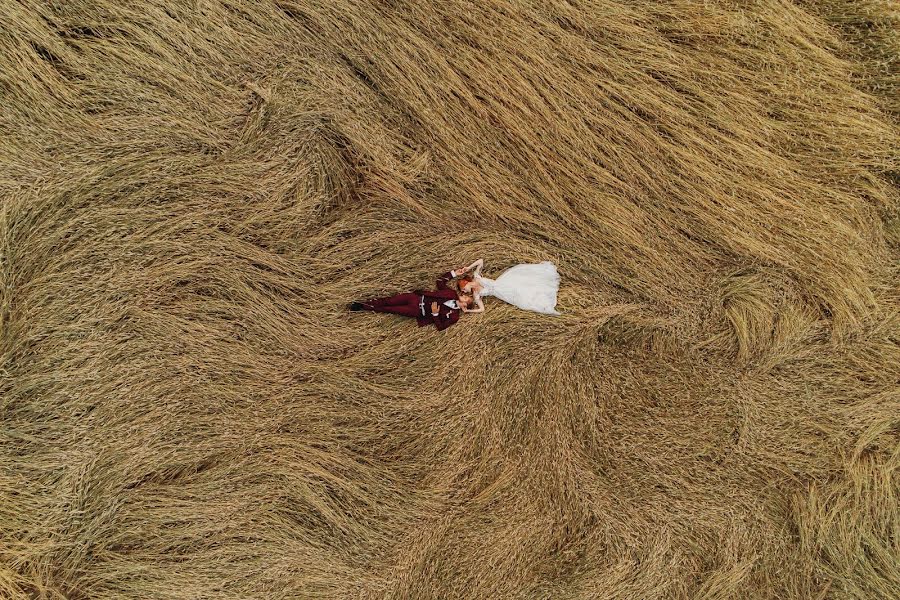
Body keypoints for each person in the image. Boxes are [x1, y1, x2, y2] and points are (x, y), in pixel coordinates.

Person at [350, 269, 473, 331]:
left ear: (464, 307)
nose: (463, 296)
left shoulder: (454, 316)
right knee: (388, 301)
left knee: (389, 309)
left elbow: (441, 327)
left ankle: (362, 307)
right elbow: (440, 282)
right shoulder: (450, 293)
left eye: (466, 299)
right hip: (416, 298)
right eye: (465, 295)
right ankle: (364, 303)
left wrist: (435, 314)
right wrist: (454, 273)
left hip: (416, 311)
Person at [456, 258, 561, 315]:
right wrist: (468, 310)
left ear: (465, 283)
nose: (464, 292)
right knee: (524, 298)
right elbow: (482, 309)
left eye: (463, 289)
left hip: (503, 282)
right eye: (463, 292)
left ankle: (546, 285)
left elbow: (481, 261)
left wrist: (468, 267)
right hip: (503, 294)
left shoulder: (476, 277)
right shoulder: (476, 295)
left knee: (526, 282)